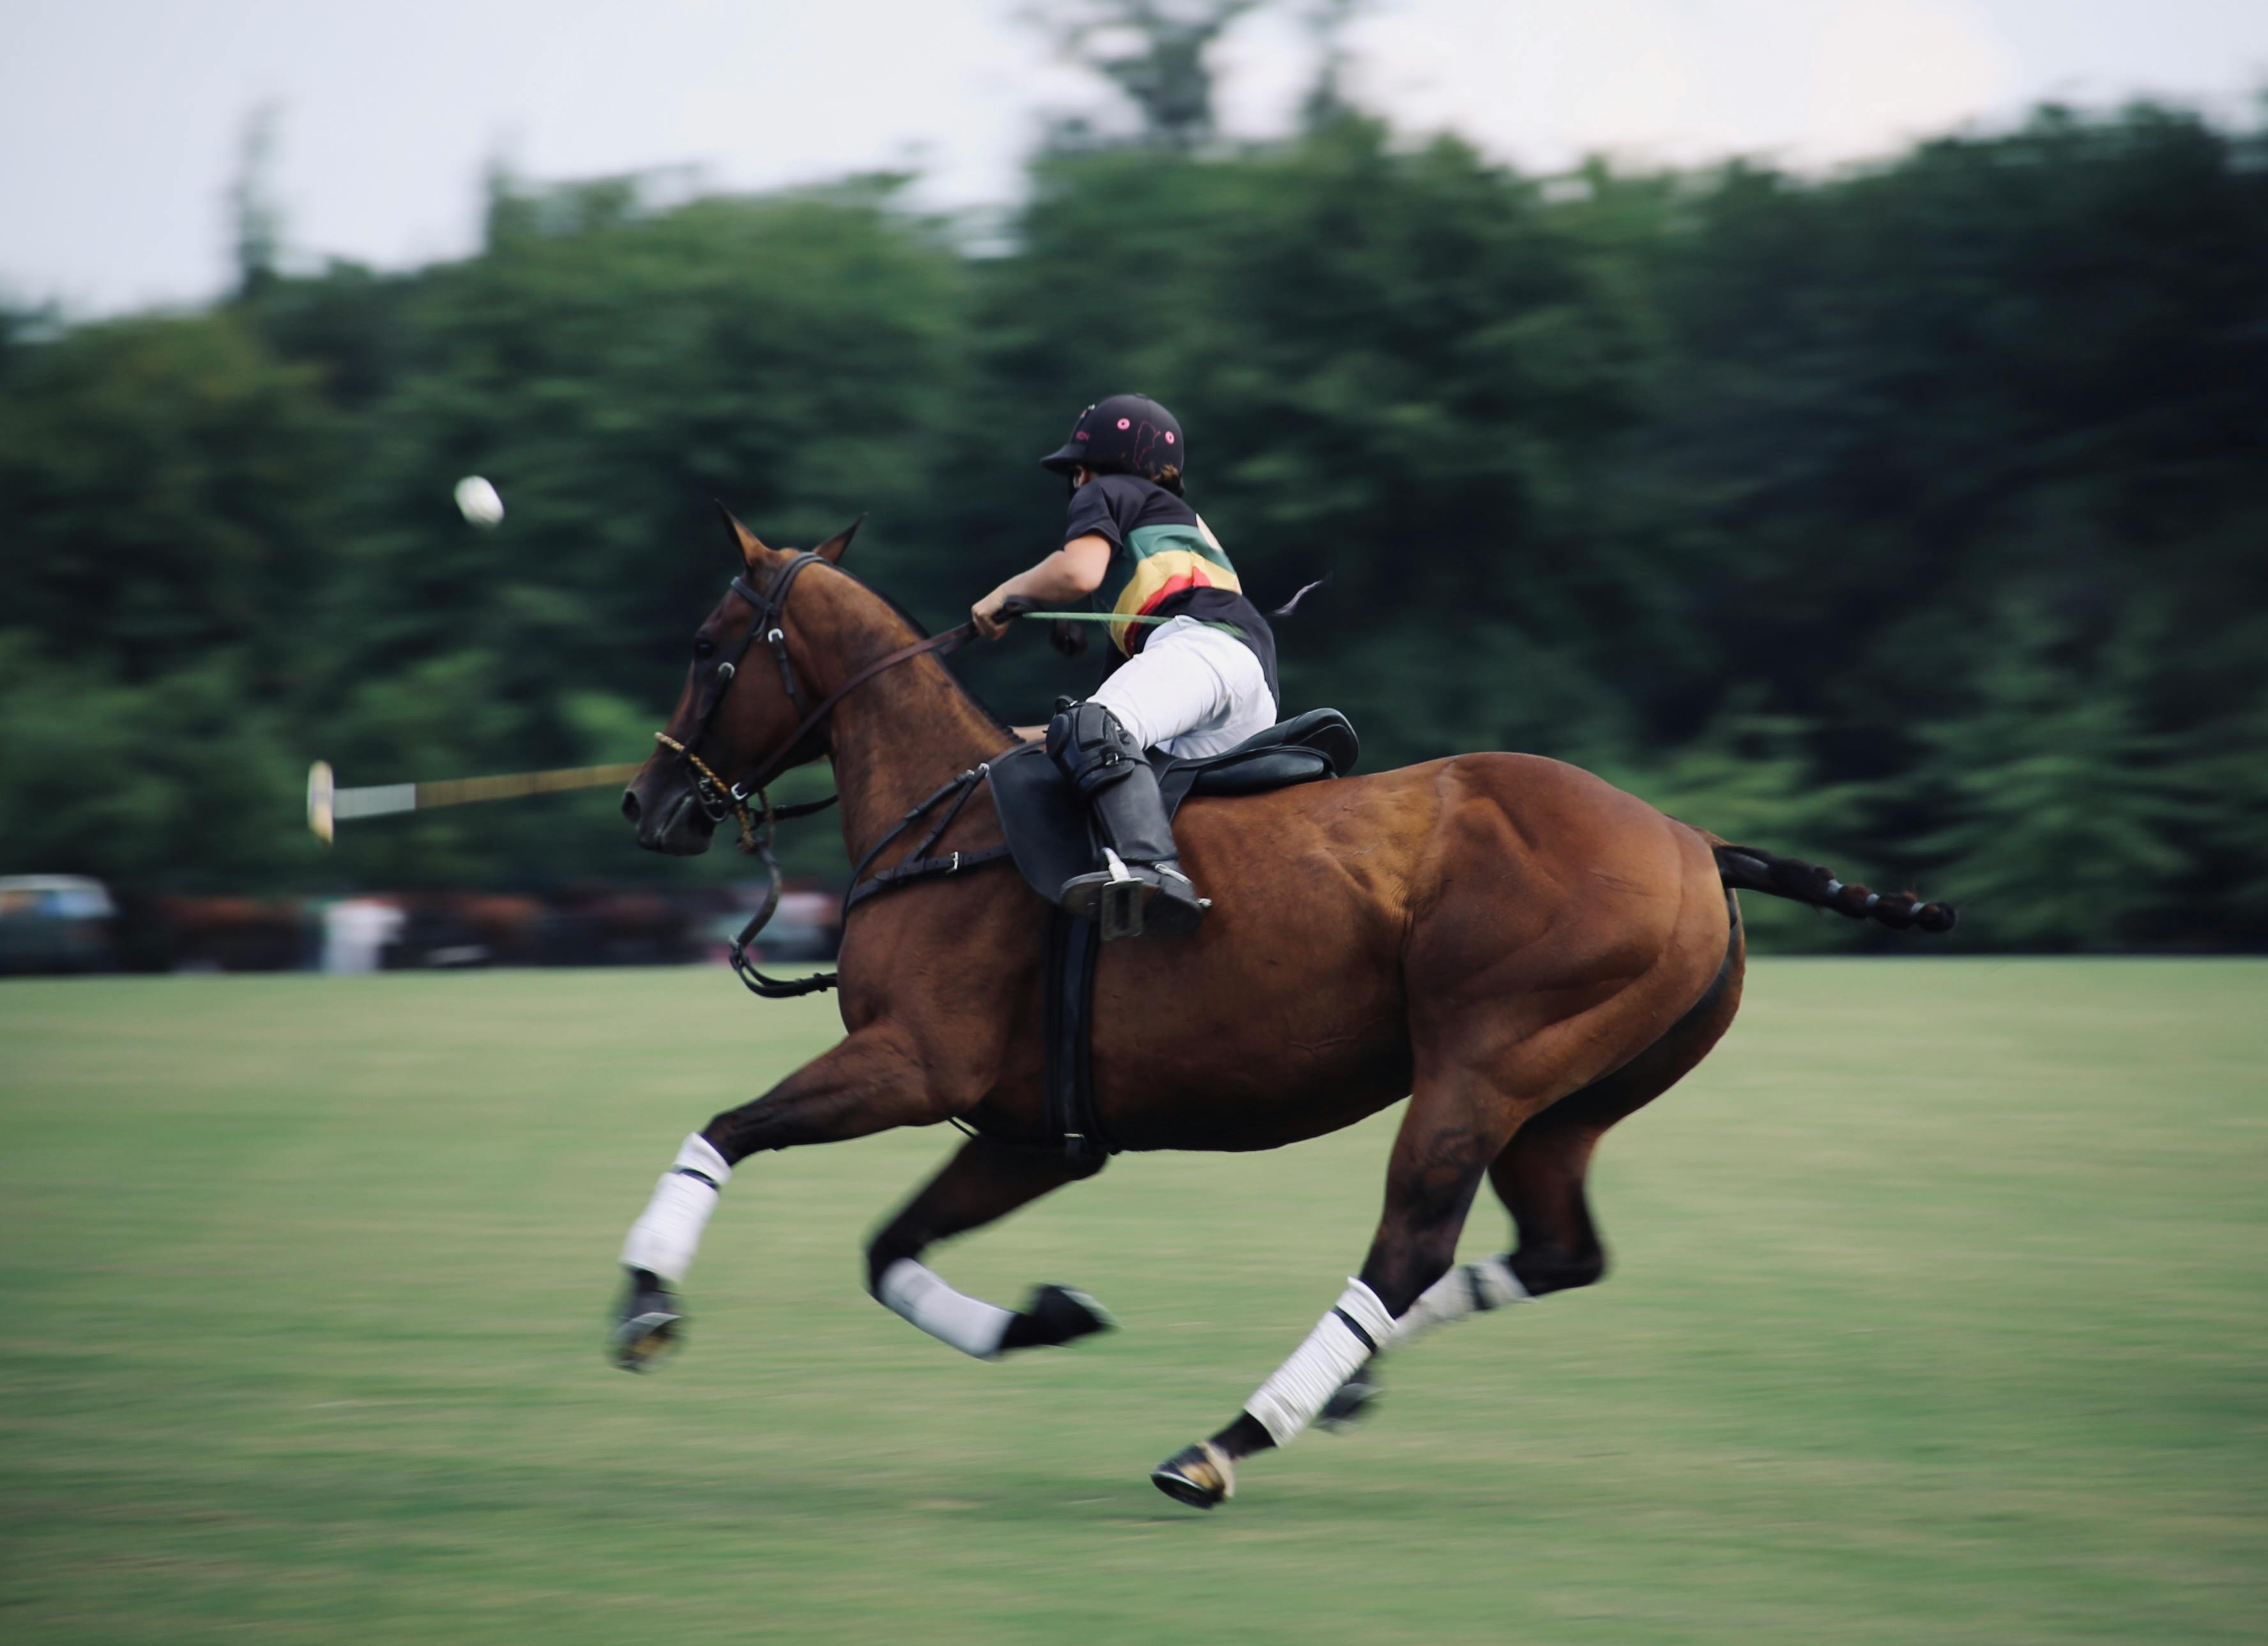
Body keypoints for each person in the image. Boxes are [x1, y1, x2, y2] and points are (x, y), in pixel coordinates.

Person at [971, 394, 1279, 938]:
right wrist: (999, 740)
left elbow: (1080, 573)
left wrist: (1004, 594)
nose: (1075, 483)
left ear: (1090, 469)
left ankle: (1152, 869)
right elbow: (1093, 737)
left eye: (1077, 471)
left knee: (1096, 728)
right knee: (1097, 739)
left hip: (1201, 650)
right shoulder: (1187, 539)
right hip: (1249, 687)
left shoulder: (1107, 490)